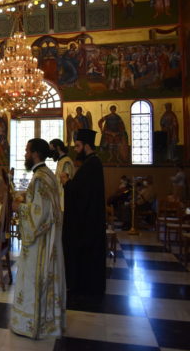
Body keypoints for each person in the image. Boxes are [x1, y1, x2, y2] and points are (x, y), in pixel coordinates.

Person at [11, 138, 66, 339]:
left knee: (35, 279)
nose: (25, 154)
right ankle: (46, 321)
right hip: (48, 238)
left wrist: (19, 208)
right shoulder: (46, 174)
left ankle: (33, 324)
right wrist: (26, 197)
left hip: (40, 242)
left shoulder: (40, 178)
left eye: (27, 151)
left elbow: (40, 213)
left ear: (35, 154)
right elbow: (42, 204)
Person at [61, 129, 106, 300]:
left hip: (88, 222)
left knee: (85, 253)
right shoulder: (91, 163)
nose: (76, 149)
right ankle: (82, 284)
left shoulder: (92, 164)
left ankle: (84, 286)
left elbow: (80, 193)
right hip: (89, 219)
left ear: (87, 146)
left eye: (78, 146)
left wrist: (67, 182)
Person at [49, 139, 74, 212]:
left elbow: (66, 183)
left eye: (52, 149)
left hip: (64, 201)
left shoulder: (66, 162)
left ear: (58, 148)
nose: (51, 153)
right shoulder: (61, 161)